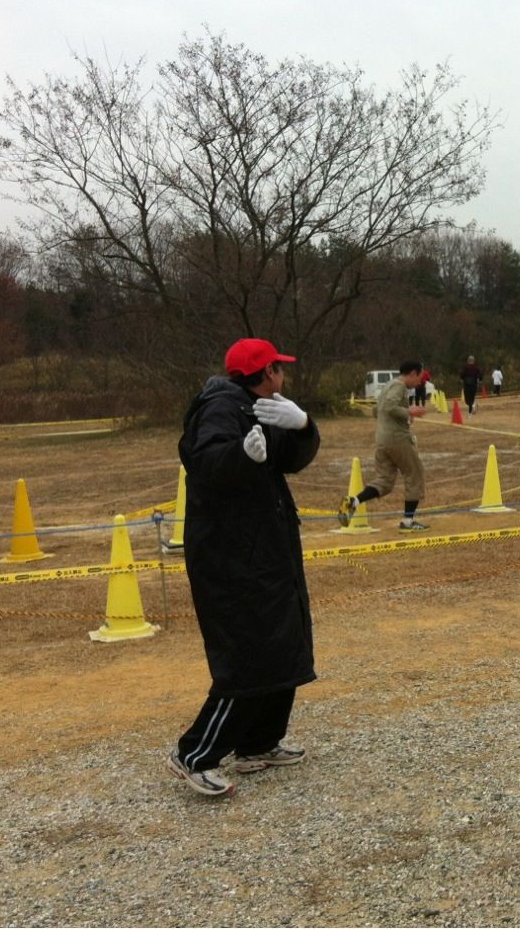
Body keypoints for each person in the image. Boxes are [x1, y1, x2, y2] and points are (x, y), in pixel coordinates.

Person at [169, 338, 321, 797]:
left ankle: (259, 742)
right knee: (249, 654)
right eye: (279, 367)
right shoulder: (219, 408)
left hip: (268, 548)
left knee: (283, 643)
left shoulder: (264, 407)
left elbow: (291, 460)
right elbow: (204, 461)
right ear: (267, 371)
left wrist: (303, 426)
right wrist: (241, 455)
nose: (284, 375)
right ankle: (195, 754)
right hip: (230, 556)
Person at [340, 360, 430, 532]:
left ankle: (354, 502)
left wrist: (404, 415)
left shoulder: (388, 385)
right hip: (398, 439)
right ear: (412, 373)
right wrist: (409, 412)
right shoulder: (399, 386)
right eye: (419, 377)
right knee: (415, 475)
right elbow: (389, 406)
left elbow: (377, 410)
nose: (420, 381)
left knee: (385, 481)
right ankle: (408, 521)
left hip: (382, 440)